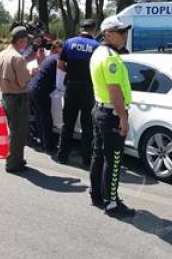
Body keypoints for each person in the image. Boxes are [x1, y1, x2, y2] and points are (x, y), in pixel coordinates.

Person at [88, 15, 135, 217]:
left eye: (125, 31)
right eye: (120, 32)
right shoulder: (110, 58)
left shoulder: (99, 52)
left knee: (98, 155)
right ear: (108, 34)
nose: (124, 35)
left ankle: (97, 195)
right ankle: (112, 203)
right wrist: (123, 118)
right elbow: (115, 90)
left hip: (100, 109)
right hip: (111, 112)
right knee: (114, 158)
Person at [55, 19, 100, 165]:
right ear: (94, 30)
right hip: (88, 88)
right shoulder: (97, 47)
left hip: (71, 86)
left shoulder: (69, 43)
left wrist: (72, 72)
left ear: (81, 28)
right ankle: (86, 159)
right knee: (87, 125)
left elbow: (60, 65)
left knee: (67, 123)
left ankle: (62, 156)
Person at [0, 26, 32, 173]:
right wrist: (32, 73)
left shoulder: (2, 54)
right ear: (21, 41)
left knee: (14, 130)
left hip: (6, 96)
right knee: (19, 132)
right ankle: (14, 163)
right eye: (26, 40)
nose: (27, 43)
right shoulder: (18, 58)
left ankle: (17, 159)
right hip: (18, 98)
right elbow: (23, 82)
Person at [27, 40, 62, 154]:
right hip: (40, 91)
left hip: (33, 88)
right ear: (59, 49)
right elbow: (61, 78)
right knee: (46, 119)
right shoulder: (57, 59)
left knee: (40, 118)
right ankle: (49, 147)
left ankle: (43, 143)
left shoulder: (50, 58)